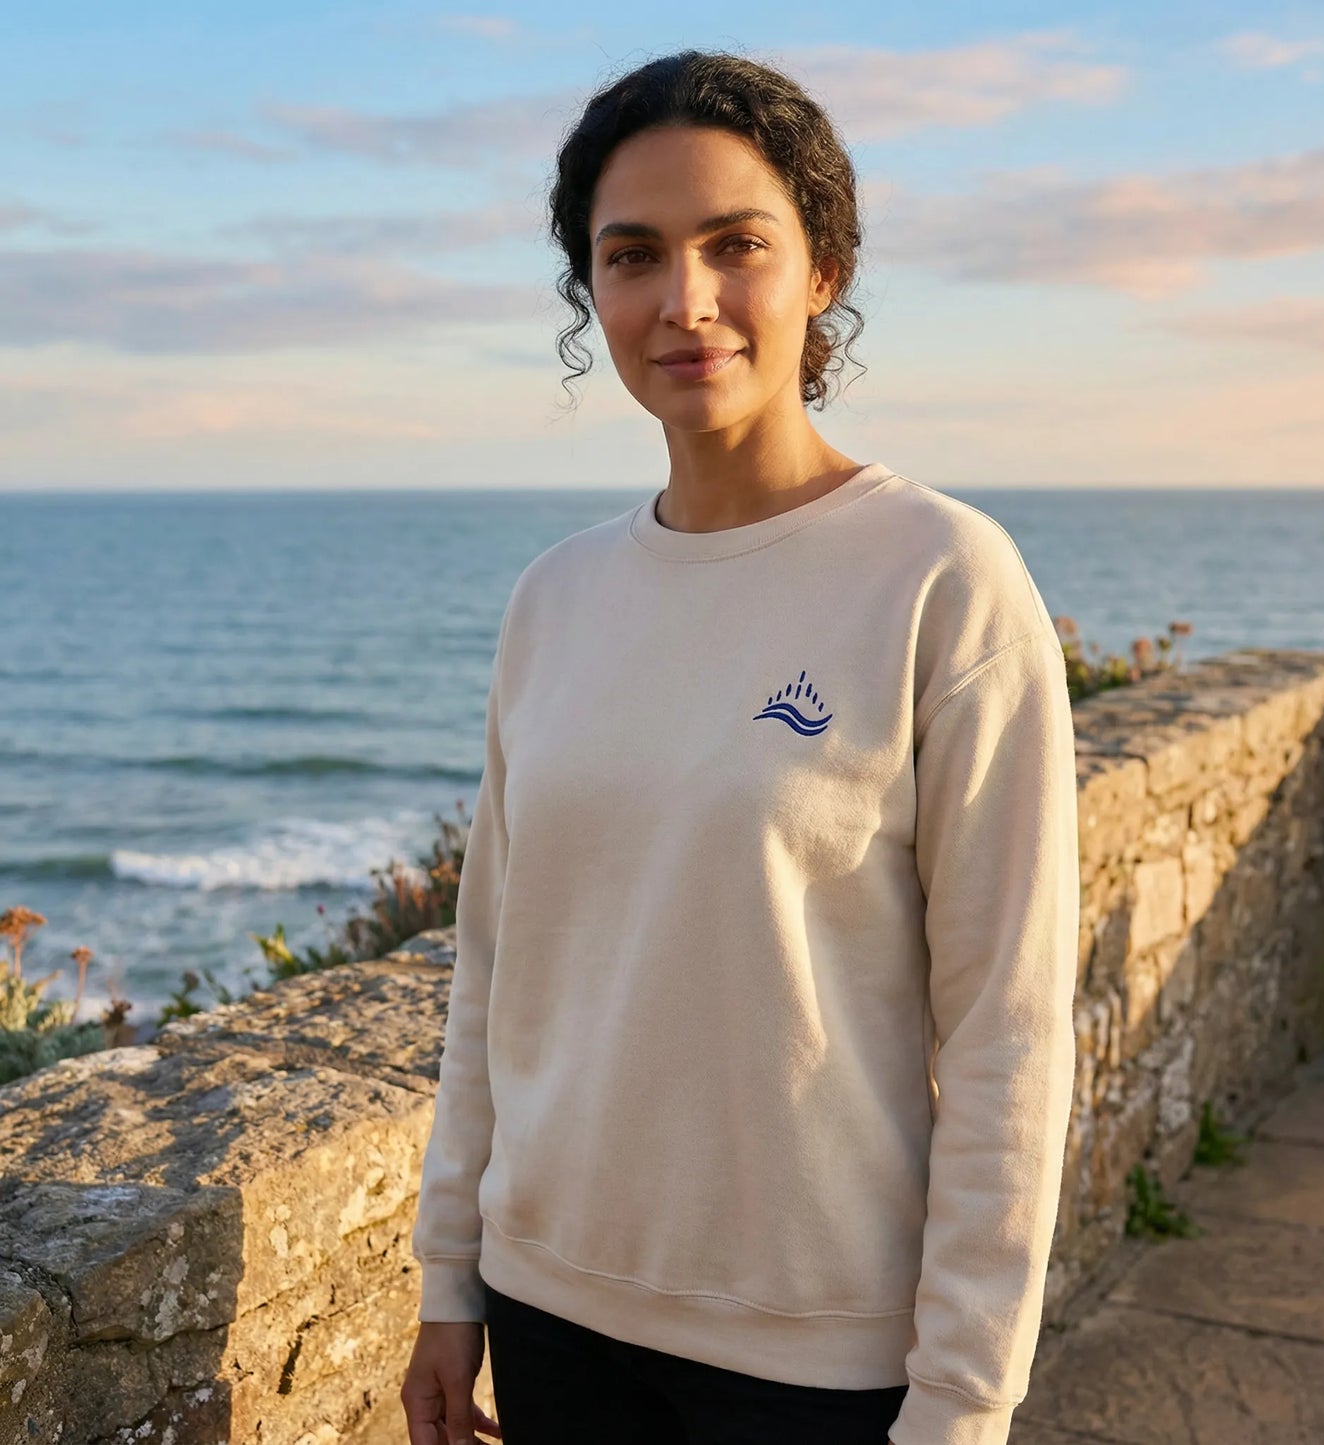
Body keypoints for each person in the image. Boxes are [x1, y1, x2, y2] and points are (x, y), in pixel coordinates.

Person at [401, 48, 1079, 1445]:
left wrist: (962, 1397)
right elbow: (493, 971)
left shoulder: (941, 577)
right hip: (549, 1309)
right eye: (634, 253)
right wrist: (447, 1273)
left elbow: (1009, 1030)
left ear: (821, 266)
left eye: (736, 245)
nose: (684, 301)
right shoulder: (556, 596)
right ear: (590, 287)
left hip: (816, 1357)